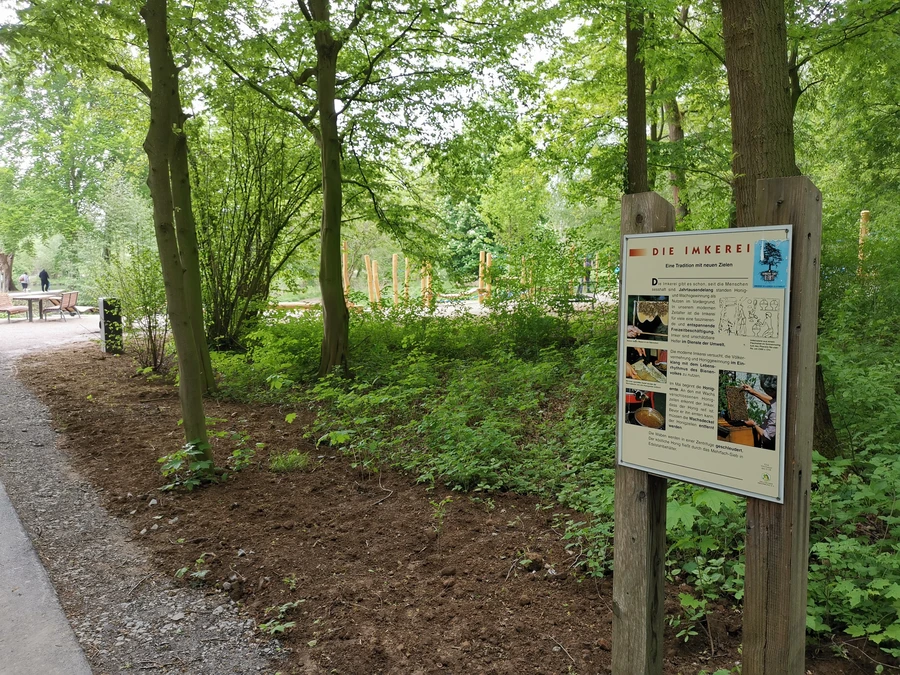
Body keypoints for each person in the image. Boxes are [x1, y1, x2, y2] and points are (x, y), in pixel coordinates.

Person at [742, 376, 777, 450]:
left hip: (769, 447)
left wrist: (754, 424)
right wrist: (753, 391)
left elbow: (766, 437)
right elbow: (772, 401)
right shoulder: (779, 400)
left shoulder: (774, 412)